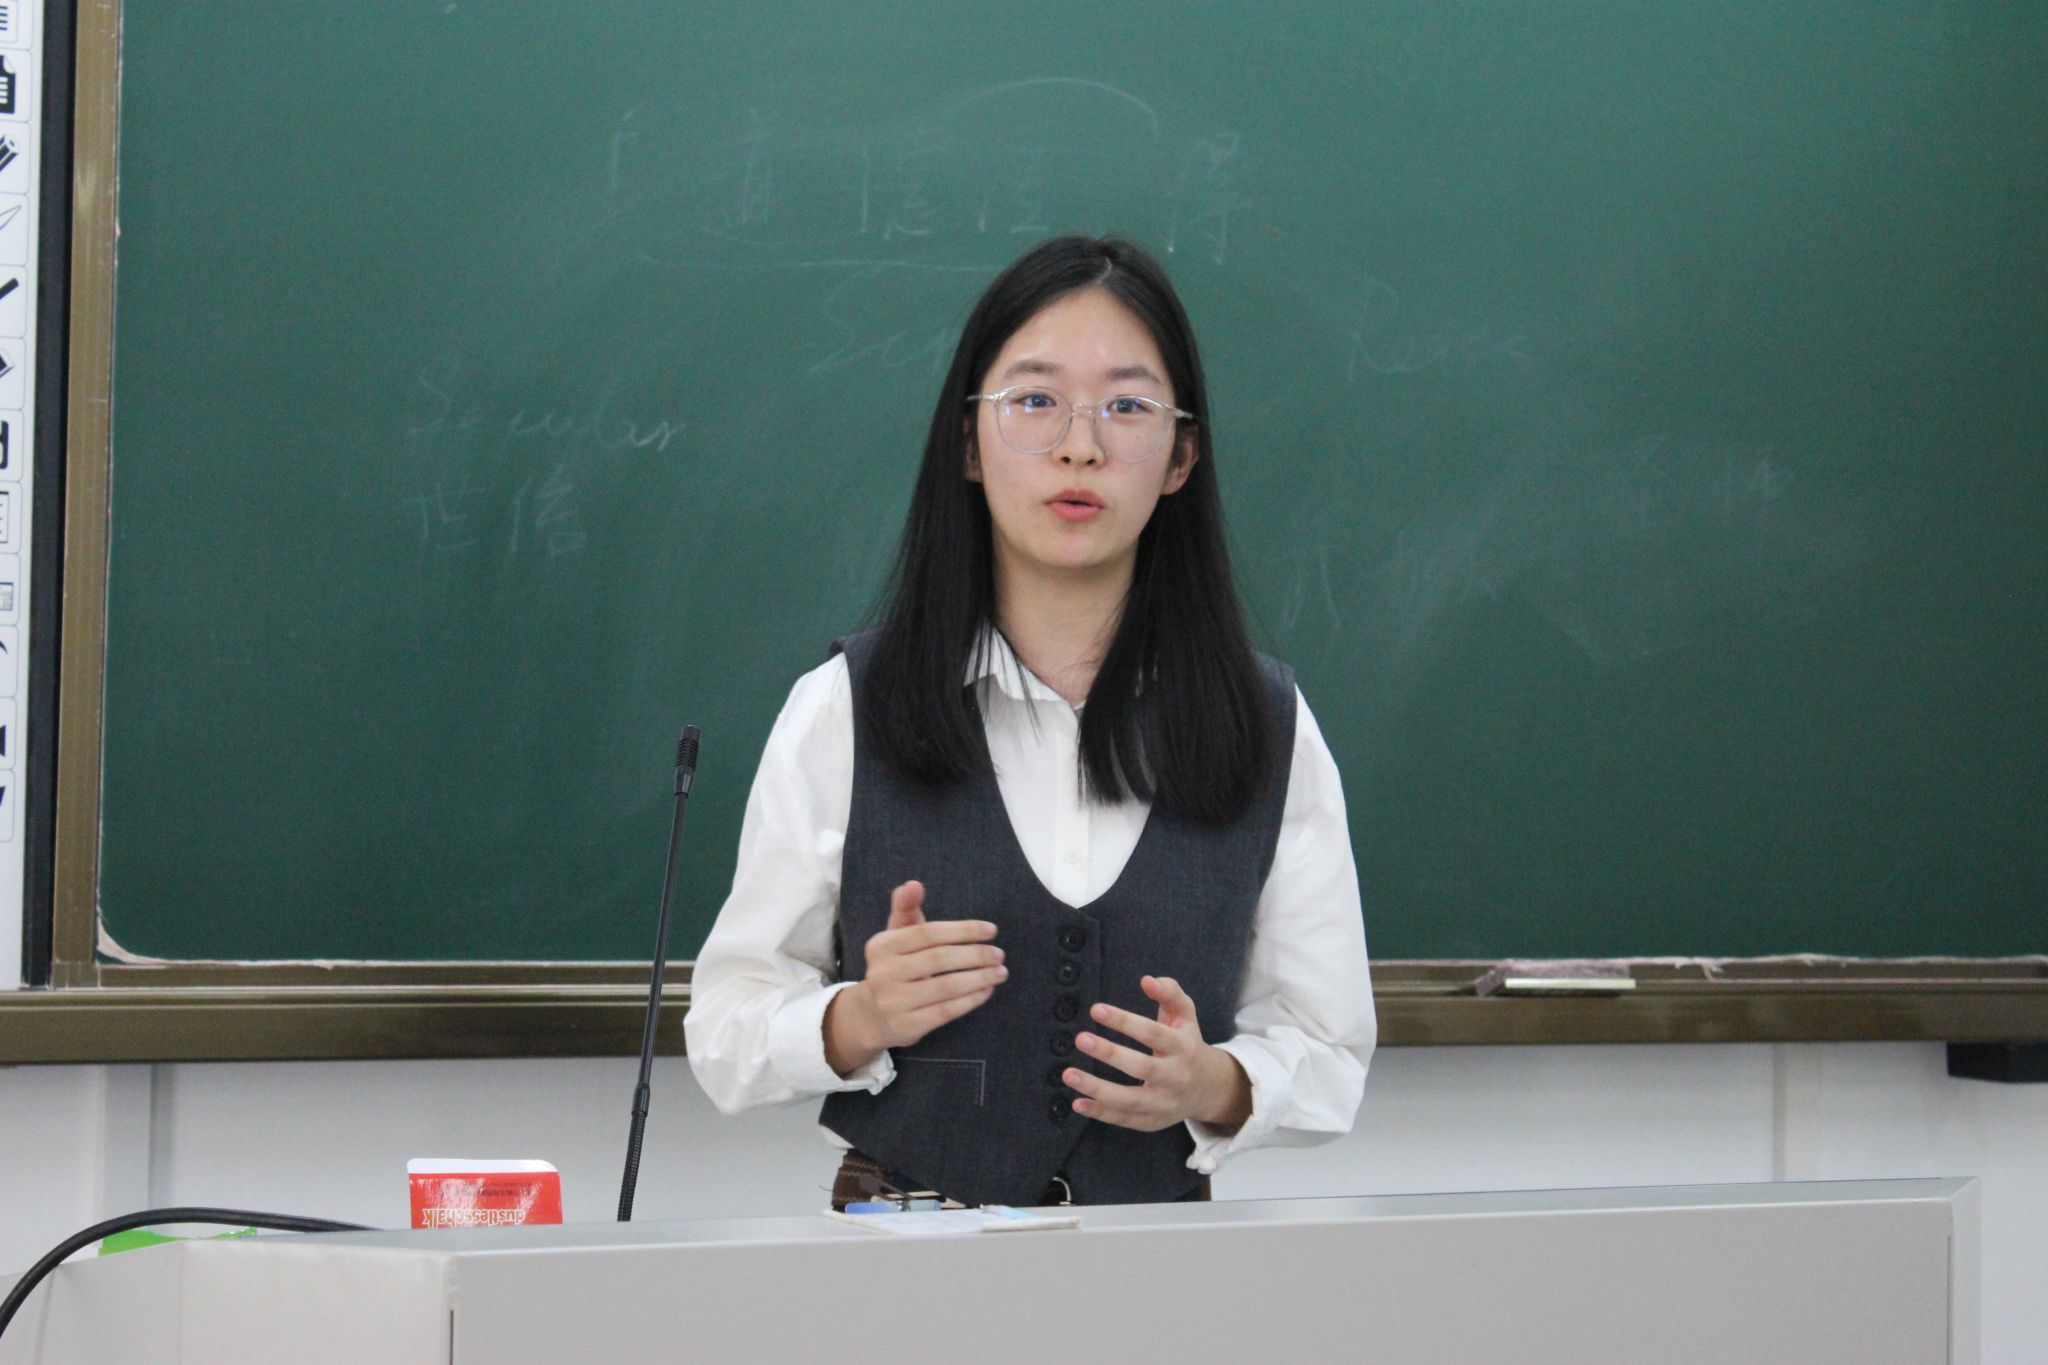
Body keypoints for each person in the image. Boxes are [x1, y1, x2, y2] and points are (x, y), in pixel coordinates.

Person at [685, 235, 1374, 1210]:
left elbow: (1329, 1050)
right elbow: (724, 1027)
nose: (1079, 446)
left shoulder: (1265, 725)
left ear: (1181, 456)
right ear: (967, 444)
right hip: (900, 1253)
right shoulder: (846, 705)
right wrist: (860, 1016)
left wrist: (1210, 1084)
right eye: (1035, 400)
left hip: (1160, 1263)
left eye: (1127, 407)